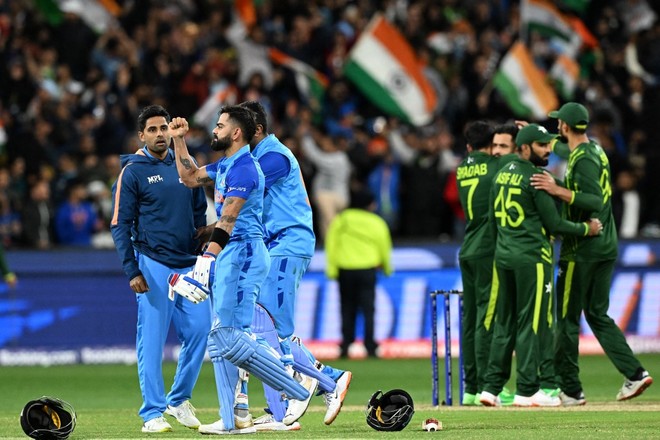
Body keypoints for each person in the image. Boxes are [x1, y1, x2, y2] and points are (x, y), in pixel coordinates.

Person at [168, 105, 308, 435]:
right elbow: (189, 177)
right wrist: (178, 140)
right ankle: (233, 418)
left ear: (235, 133)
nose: (213, 130)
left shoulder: (245, 169)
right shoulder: (227, 165)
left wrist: (206, 260)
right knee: (224, 336)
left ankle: (294, 383)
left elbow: (228, 221)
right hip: (234, 253)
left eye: (219, 125)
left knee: (229, 336)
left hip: (244, 253)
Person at [530, 102, 654, 405]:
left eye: (559, 124)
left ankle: (571, 390)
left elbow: (593, 200)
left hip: (582, 249)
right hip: (605, 246)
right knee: (597, 315)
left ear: (565, 126)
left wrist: (556, 190)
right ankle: (635, 373)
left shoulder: (584, 158)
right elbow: (573, 170)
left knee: (566, 319)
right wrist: (555, 175)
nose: (557, 128)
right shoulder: (594, 150)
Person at [239, 101, 352, 430]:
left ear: (256, 130)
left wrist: (202, 175)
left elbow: (242, 184)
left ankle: (315, 388)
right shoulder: (258, 157)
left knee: (272, 328)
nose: (229, 132)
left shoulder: (274, 157)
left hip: (287, 243)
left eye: (234, 126)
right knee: (263, 326)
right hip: (275, 245)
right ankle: (314, 388)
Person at [480, 124, 602, 407]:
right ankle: (526, 390)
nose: (547, 150)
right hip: (531, 259)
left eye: (548, 144)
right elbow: (555, 224)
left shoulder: (501, 174)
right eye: (541, 145)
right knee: (530, 324)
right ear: (524, 148)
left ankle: (491, 388)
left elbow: (492, 220)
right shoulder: (537, 178)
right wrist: (587, 229)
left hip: (504, 257)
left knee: (504, 323)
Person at [110, 105, 211, 433]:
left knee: (200, 330)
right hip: (153, 263)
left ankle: (178, 400)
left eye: (163, 128)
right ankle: (152, 413)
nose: (159, 134)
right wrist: (132, 270)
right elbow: (119, 224)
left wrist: (201, 246)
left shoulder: (185, 163)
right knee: (152, 341)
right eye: (152, 130)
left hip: (188, 264)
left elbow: (199, 210)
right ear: (142, 135)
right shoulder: (133, 172)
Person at [456, 120, 517, 406]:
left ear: (469, 146)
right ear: (491, 144)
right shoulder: (497, 166)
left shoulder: (461, 168)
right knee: (488, 319)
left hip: (468, 247)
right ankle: (488, 386)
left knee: (470, 320)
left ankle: (470, 388)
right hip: (488, 249)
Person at [325, 188, 393, 358]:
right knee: (368, 309)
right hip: (368, 269)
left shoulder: (341, 220)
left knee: (347, 308)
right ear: (370, 204)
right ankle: (370, 346)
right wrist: (387, 268)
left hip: (345, 269)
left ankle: (346, 345)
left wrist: (332, 269)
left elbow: (331, 244)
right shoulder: (376, 221)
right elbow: (384, 245)